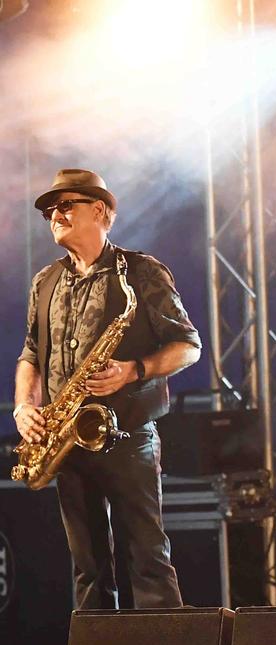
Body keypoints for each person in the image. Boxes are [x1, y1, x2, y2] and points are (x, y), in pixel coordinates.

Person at [13, 169, 202, 609]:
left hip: (128, 434)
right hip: (66, 439)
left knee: (148, 560)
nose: (53, 215)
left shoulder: (140, 272)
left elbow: (188, 347)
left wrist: (134, 369)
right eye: (48, 210)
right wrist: (24, 406)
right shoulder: (44, 282)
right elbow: (30, 356)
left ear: (99, 210)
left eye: (65, 205)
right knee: (89, 569)